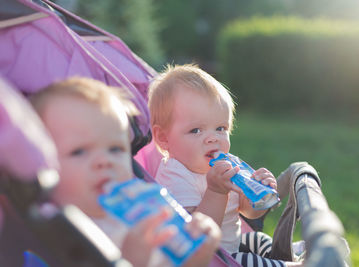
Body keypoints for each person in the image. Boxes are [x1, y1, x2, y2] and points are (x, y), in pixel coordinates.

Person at [29, 77, 221, 267]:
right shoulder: (48, 237)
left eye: (115, 149)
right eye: (79, 151)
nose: (105, 161)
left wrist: (197, 258)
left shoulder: (141, 215)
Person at [149, 64, 303, 267]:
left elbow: (249, 213)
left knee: (257, 240)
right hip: (209, 259)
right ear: (163, 138)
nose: (212, 139)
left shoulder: (229, 165)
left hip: (234, 245)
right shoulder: (174, 175)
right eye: (196, 130)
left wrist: (259, 192)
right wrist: (216, 191)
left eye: (220, 128)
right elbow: (195, 239)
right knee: (247, 261)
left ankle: (290, 252)